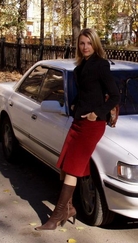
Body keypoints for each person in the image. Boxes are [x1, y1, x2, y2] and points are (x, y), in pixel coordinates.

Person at [35, 28, 120, 231]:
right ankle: (70, 208)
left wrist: (96, 113)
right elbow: (87, 92)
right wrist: (74, 104)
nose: (85, 47)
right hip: (78, 122)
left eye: (89, 43)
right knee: (65, 166)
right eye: (82, 43)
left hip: (92, 125)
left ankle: (56, 216)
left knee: (72, 168)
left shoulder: (101, 65)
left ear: (95, 44)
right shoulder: (80, 67)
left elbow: (115, 95)